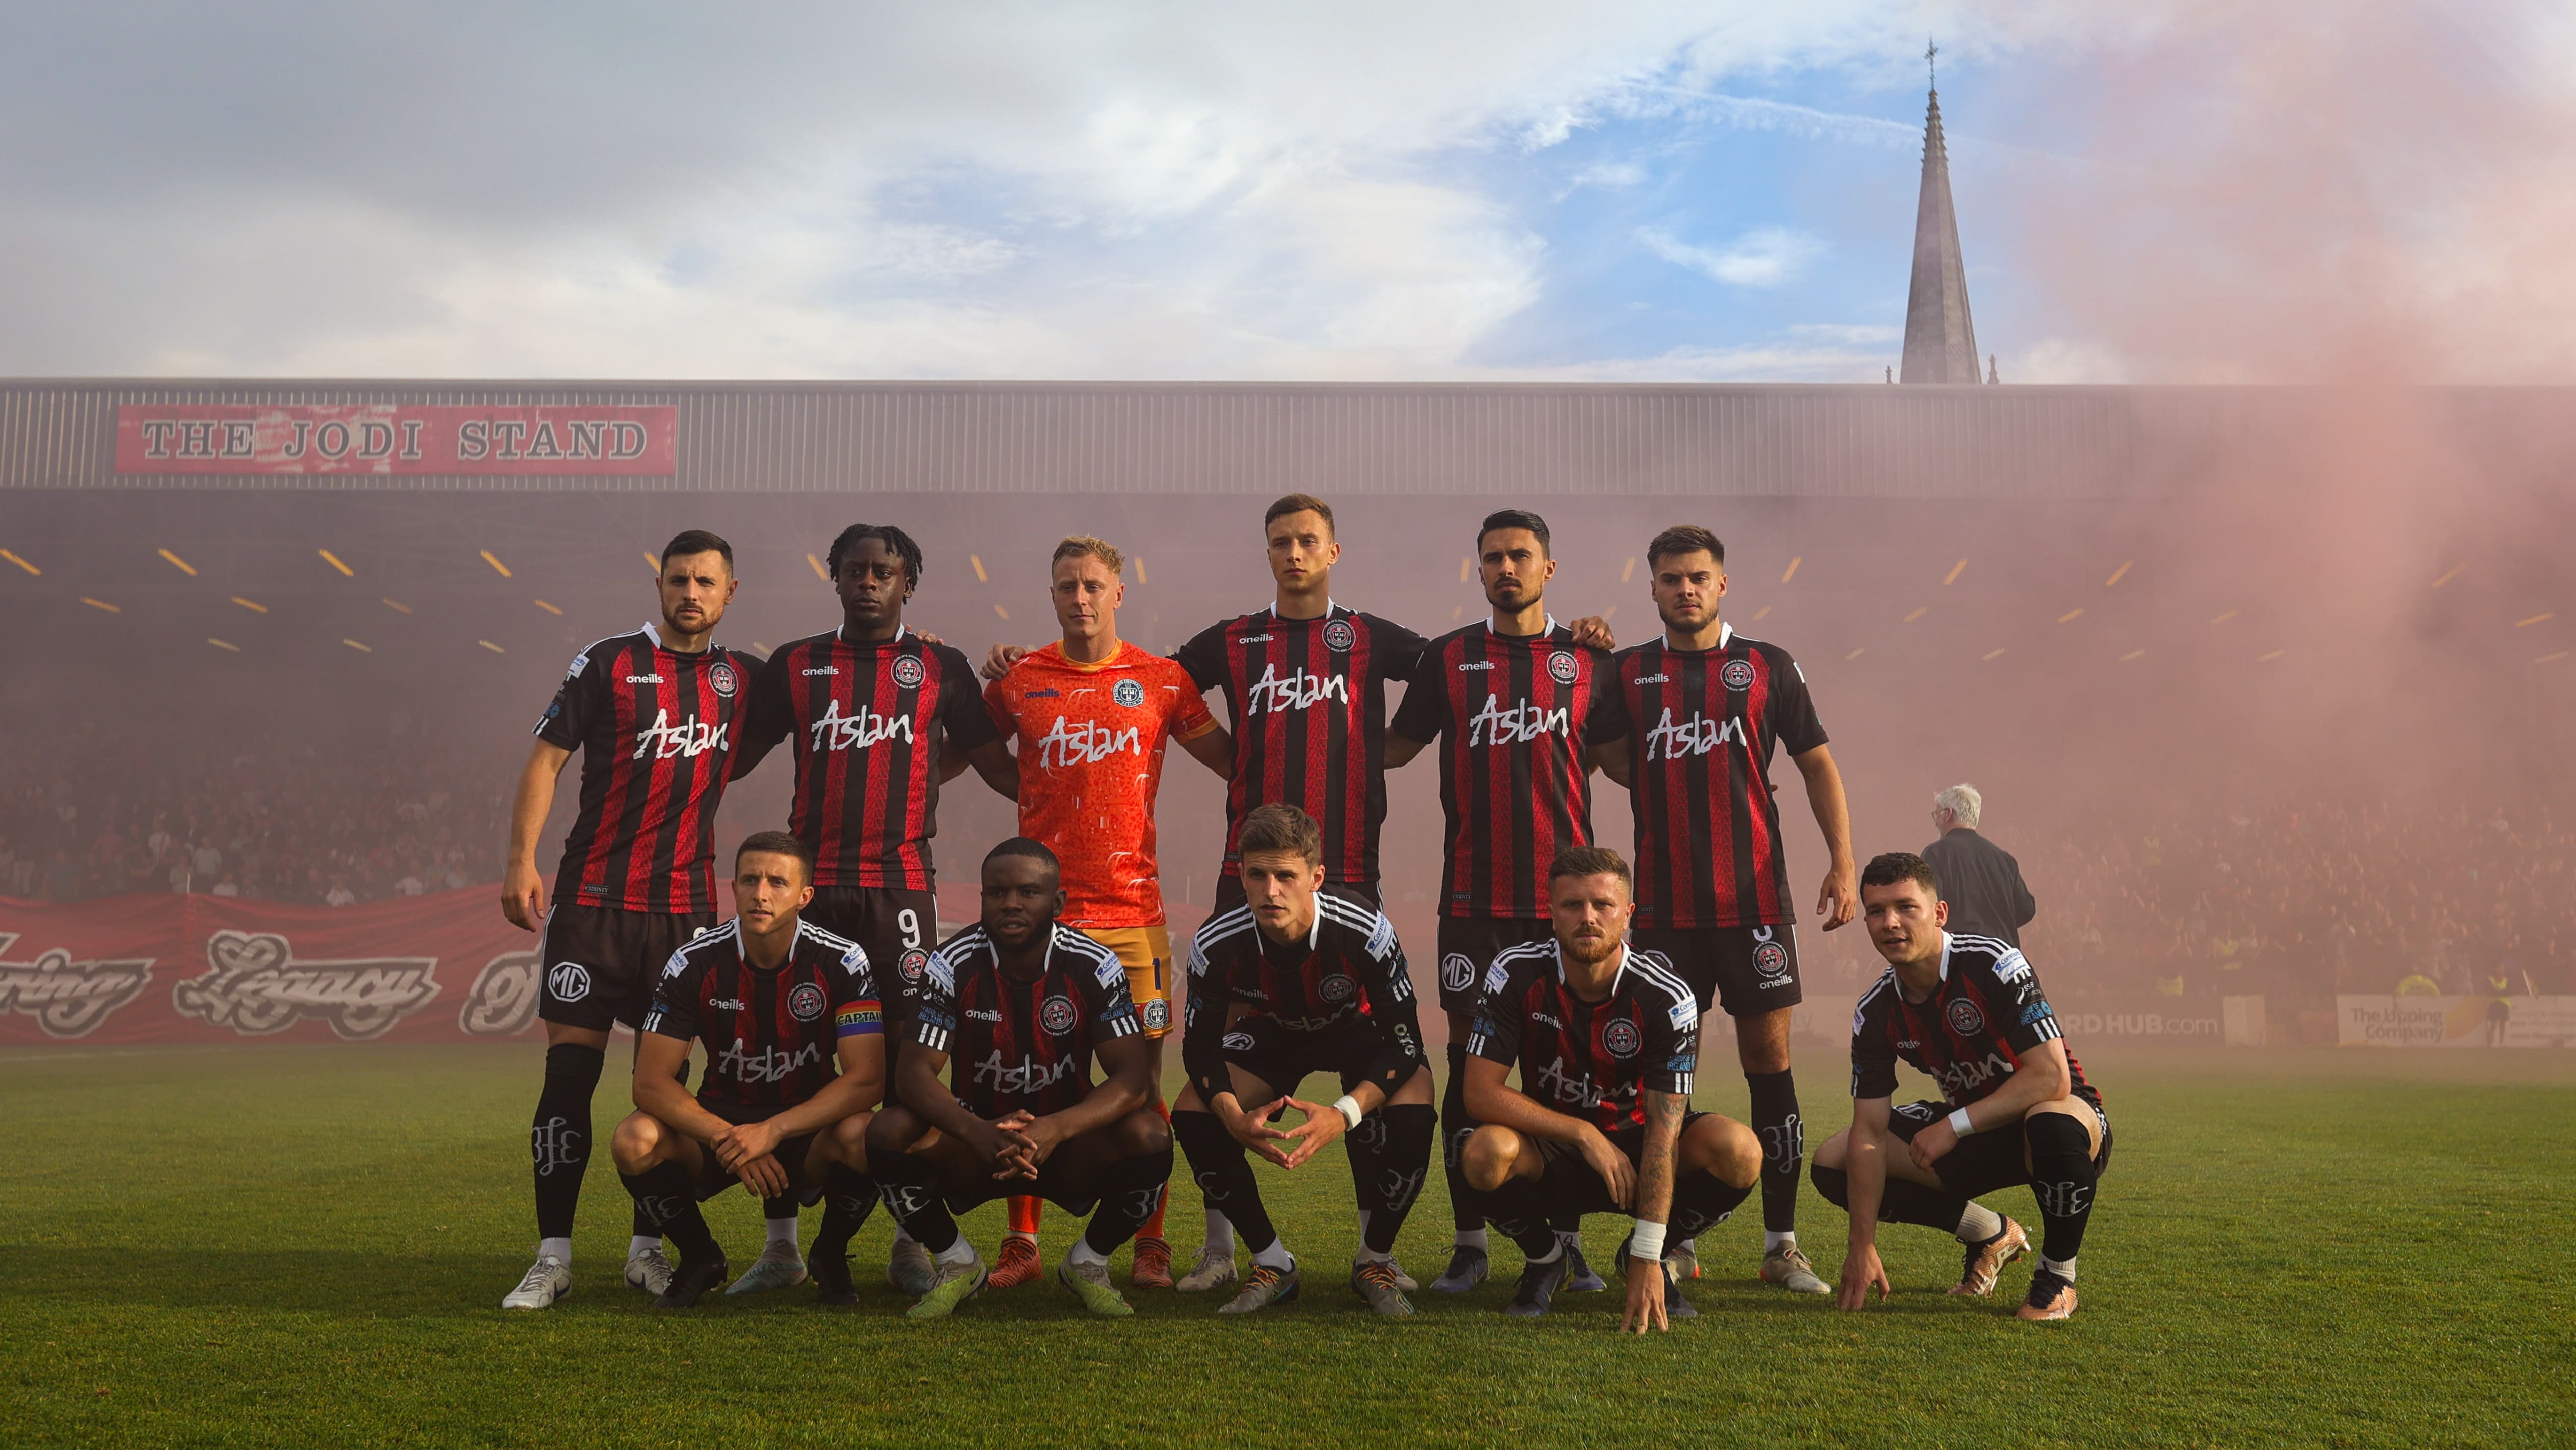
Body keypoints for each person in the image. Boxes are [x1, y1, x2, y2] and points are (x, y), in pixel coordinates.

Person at [986, 492, 1608, 1292]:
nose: (1293, 552)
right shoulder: (1235, 640)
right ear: (1268, 551)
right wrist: (1018, 662)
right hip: (1244, 878)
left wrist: (1576, 637)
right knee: (1219, 1053)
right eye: (1280, 541)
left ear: (1333, 551)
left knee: (1382, 1057)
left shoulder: (1375, 638)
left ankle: (1373, 1252)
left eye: (1308, 540)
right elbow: (1143, 681)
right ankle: (1220, 1251)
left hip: (1348, 870)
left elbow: (1471, 661)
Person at [730, 521, 1015, 1295]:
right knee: (791, 1057)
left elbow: (1003, 769)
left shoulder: (941, 666)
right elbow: (732, 756)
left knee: (906, 1067)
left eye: (884, 571)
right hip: (809, 887)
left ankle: (906, 1241)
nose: (868, 582)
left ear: (907, 583)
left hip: (900, 892)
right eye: (855, 570)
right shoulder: (797, 664)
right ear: (835, 578)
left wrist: (1026, 682)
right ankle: (783, 1247)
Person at [1592, 524, 1854, 1295]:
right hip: (1665, 912)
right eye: (1671, 578)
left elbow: (1818, 765)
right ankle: (1671, 1235)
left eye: (1699, 577)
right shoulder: (1631, 672)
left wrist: (1841, 859)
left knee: (1768, 1066)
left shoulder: (1767, 666)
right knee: (1664, 1076)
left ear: (1722, 584)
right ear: (1653, 589)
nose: (1686, 589)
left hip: (1755, 907)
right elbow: (1606, 758)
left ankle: (1782, 1244)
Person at [498, 529, 756, 1311]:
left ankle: (648, 1248)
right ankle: (553, 1256)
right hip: (594, 904)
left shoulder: (742, 679)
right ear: (659, 584)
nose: (691, 593)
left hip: (683, 918)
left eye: (706, 582)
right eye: (679, 579)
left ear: (729, 592)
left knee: (662, 1088)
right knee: (569, 1077)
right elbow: (546, 759)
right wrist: (520, 860)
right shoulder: (608, 662)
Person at [974, 535, 1233, 1291]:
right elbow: (976, 747)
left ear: (1119, 592)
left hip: (1132, 914)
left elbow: (1232, 762)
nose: (1079, 598)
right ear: (1050, 596)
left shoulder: (1162, 680)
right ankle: (1021, 1238)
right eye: (1065, 587)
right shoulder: (1020, 678)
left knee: (1144, 1079)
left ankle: (1148, 1239)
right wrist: (1029, 799)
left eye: (1092, 585)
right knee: (1026, 1073)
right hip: (1041, 919)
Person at [1386, 508, 1628, 1295]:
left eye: (1520, 556)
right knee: (1469, 1068)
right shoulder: (1449, 658)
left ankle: (1562, 1239)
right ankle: (1468, 1243)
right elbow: (1393, 747)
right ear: (1479, 569)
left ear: (1548, 569)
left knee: (1562, 1072)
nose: (1505, 568)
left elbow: (1627, 763)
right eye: (1492, 558)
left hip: (1565, 904)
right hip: (1474, 898)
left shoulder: (1586, 659)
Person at [867, 839, 1175, 1319]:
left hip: (1066, 1145)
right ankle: (958, 1262)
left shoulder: (1094, 963)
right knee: (888, 1131)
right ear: (983, 898)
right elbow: (912, 1076)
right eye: (996, 892)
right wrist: (977, 1131)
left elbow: (1133, 1079)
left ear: (1057, 903)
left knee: (1151, 1136)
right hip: (976, 1142)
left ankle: (1088, 1263)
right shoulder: (951, 963)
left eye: (1028, 892)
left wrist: (1055, 1128)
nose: (1011, 903)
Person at [1457, 846, 1760, 1326]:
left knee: (1740, 1150)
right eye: (1573, 905)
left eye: (1603, 905)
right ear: (1551, 913)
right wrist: (1583, 1133)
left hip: (1642, 1150)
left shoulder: (1668, 994)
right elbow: (1479, 1092)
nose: (1588, 917)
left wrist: (1647, 1250)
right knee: (1480, 1152)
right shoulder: (1515, 970)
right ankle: (1545, 1258)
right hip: (1554, 1149)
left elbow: (1665, 1133)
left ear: (1627, 916)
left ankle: (1651, 1258)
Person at [1813, 852, 2110, 1322]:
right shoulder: (1875, 1011)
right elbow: (1868, 1132)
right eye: (1876, 911)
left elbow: (2053, 1078)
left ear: (1939, 913)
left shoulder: (1993, 962)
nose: (1890, 922)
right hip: (1976, 1131)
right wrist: (1862, 1244)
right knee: (1835, 1162)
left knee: (2052, 1122)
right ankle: (1989, 1232)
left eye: (1906, 907)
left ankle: (2058, 1276)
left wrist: (1954, 1124)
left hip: (2056, 1117)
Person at [1171, 804, 1435, 1317]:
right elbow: (1199, 1047)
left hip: (1358, 1033)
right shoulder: (1215, 941)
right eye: (1257, 875)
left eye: (1285, 876)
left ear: (1314, 877)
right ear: (1241, 876)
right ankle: (1272, 1262)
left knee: (1415, 1102)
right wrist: (1233, 1118)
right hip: (1274, 1034)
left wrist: (1343, 1114)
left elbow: (1406, 1044)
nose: (1270, 890)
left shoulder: (1365, 929)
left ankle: (1373, 1260)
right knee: (1193, 1114)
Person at [606, 833, 887, 1307]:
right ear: (732, 887)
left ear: (804, 896)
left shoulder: (843, 959)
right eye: (750, 879)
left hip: (806, 1129)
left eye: (778, 882)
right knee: (633, 1141)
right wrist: (730, 1139)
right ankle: (700, 1257)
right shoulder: (691, 961)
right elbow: (650, 1082)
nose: (761, 893)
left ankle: (830, 1256)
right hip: (720, 1122)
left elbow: (867, 1079)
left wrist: (772, 1131)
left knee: (870, 1136)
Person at [1920, 785, 2037, 949]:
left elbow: (1931, 906)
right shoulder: (2004, 858)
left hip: (1963, 956)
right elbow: (2026, 909)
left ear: (1948, 815)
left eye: (1937, 814)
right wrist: (1995, 927)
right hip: (2005, 958)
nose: (1936, 822)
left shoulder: (1936, 853)